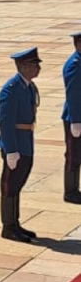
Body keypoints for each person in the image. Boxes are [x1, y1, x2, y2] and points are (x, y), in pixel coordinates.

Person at [0, 48, 42, 242]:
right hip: (15, 144)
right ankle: (8, 227)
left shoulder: (28, 86)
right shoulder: (11, 89)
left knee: (18, 183)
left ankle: (15, 223)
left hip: (25, 141)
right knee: (10, 186)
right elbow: (5, 122)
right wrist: (11, 150)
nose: (38, 69)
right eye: (34, 65)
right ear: (23, 67)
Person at [61, 33, 81, 204]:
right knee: (74, 155)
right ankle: (70, 191)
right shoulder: (74, 65)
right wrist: (76, 121)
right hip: (76, 118)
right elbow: (73, 95)